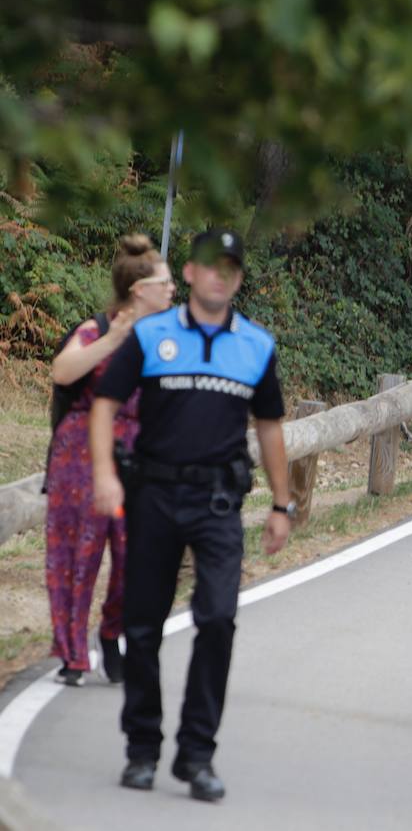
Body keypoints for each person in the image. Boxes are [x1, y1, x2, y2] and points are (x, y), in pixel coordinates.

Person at [91, 228, 292, 803]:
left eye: (230, 267)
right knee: (142, 626)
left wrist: (282, 504)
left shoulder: (256, 345)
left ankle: (197, 754)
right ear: (190, 272)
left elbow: (270, 427)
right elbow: (105, 405)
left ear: (238, 277)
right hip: (153, 496)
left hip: (218, 504)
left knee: (218, 621)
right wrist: (106, 474)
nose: (219, 276)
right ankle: (142, 749)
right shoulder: (150, 335)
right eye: (210, 265)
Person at [45, 234, 173, 686]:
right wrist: (115, 339)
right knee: (74, 556)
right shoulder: (96, 328)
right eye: (166, 283)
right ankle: (73, 654)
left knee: (135, 556)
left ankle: (111, 631)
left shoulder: (171, 337)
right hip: (79, 454)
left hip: (140, 454)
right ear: (141, 290)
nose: (173, 290)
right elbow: (63, 370)